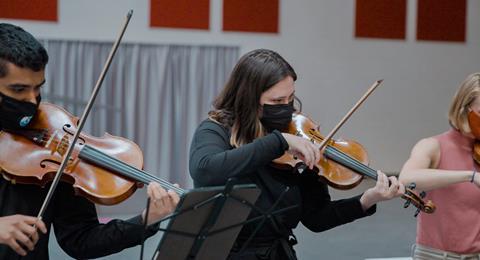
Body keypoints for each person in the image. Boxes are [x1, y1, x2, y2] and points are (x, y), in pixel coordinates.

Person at [189, 48, 405, 260]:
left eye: (290, 99)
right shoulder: (216, 130)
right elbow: (205, 170)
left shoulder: (297, 141)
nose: (287, 108)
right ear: (248, 98)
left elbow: (317, 218)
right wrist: (279, 141)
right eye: (276, 101)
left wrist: (366, 200)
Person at [0, 23, 180, 259]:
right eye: (19, 90)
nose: (33, 101)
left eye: (38, 88)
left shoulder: (54, 146)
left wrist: (147, 220)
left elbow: (81, 240)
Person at [399, 72, 480, 259]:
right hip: (436, 256)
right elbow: (407, 178)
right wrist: (469, 176)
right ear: (463, 109)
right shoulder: (432, 146)